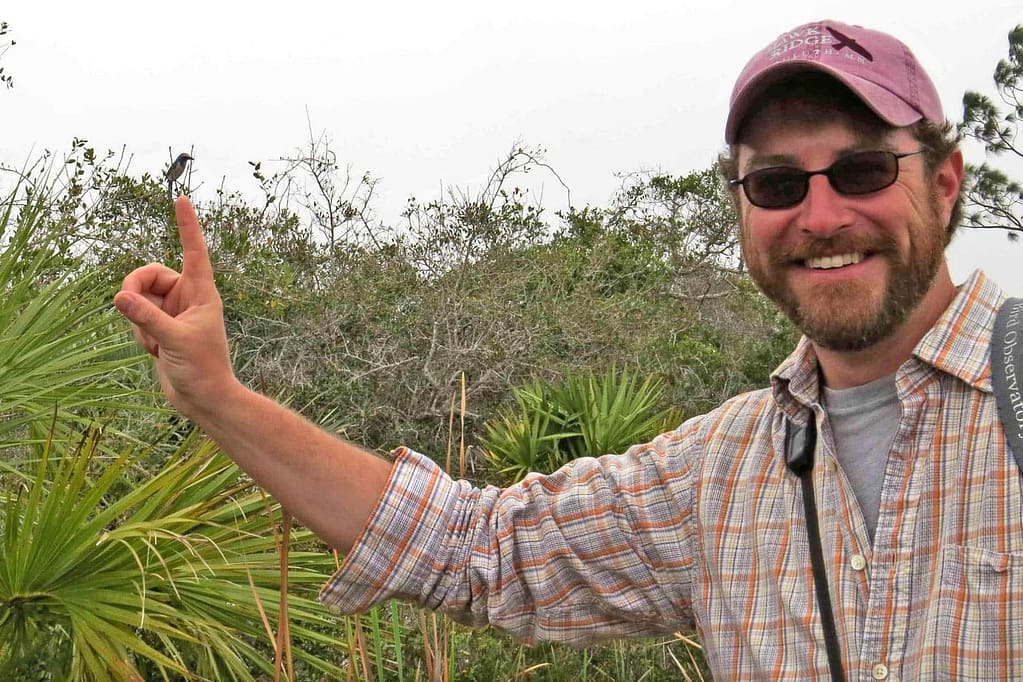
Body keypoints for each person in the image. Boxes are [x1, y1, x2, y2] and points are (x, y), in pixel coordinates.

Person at [114, 19, 1021, 681]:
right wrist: (218, 398)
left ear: (944, 184)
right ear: (744, 212)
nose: (820, 217)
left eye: (862, 170)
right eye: (778, 183)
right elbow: (472, 547)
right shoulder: (718, 471)